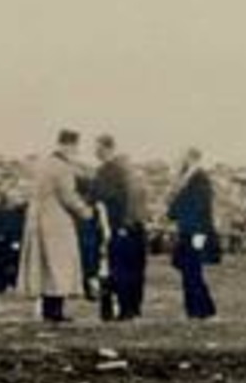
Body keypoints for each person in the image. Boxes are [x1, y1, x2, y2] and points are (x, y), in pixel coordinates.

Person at [18, 130, 93, 322]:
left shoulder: (43, 164)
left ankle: (48, 309)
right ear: (69, 145)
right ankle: (55, 310)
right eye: (75, 147)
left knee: (45, 265)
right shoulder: (62, 167)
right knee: (59, 264)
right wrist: (86, 212)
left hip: (38, 218)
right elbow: (68, 196)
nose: (76, 151)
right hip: (56, 220)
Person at [91, 134, 149, 321]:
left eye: (97, 147)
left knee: (117, 269)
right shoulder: (129, 169)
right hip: (134, 227)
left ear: (105, 148)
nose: (95, 151)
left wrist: (118, 225)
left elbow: (102, 200)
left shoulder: (108, 171)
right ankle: (132, 309)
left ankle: (120, 310)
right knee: (133, 270)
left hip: (118, 226)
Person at [166, 147, 220, 320]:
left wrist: (175, 211)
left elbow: (195, 206)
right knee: (189, 269)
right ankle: (196, 310)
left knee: (192, 269)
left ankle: (203, 310)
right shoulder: (189, 178)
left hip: (196, 233)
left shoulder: (199, 178)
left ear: (191, 158)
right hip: (190, 231)